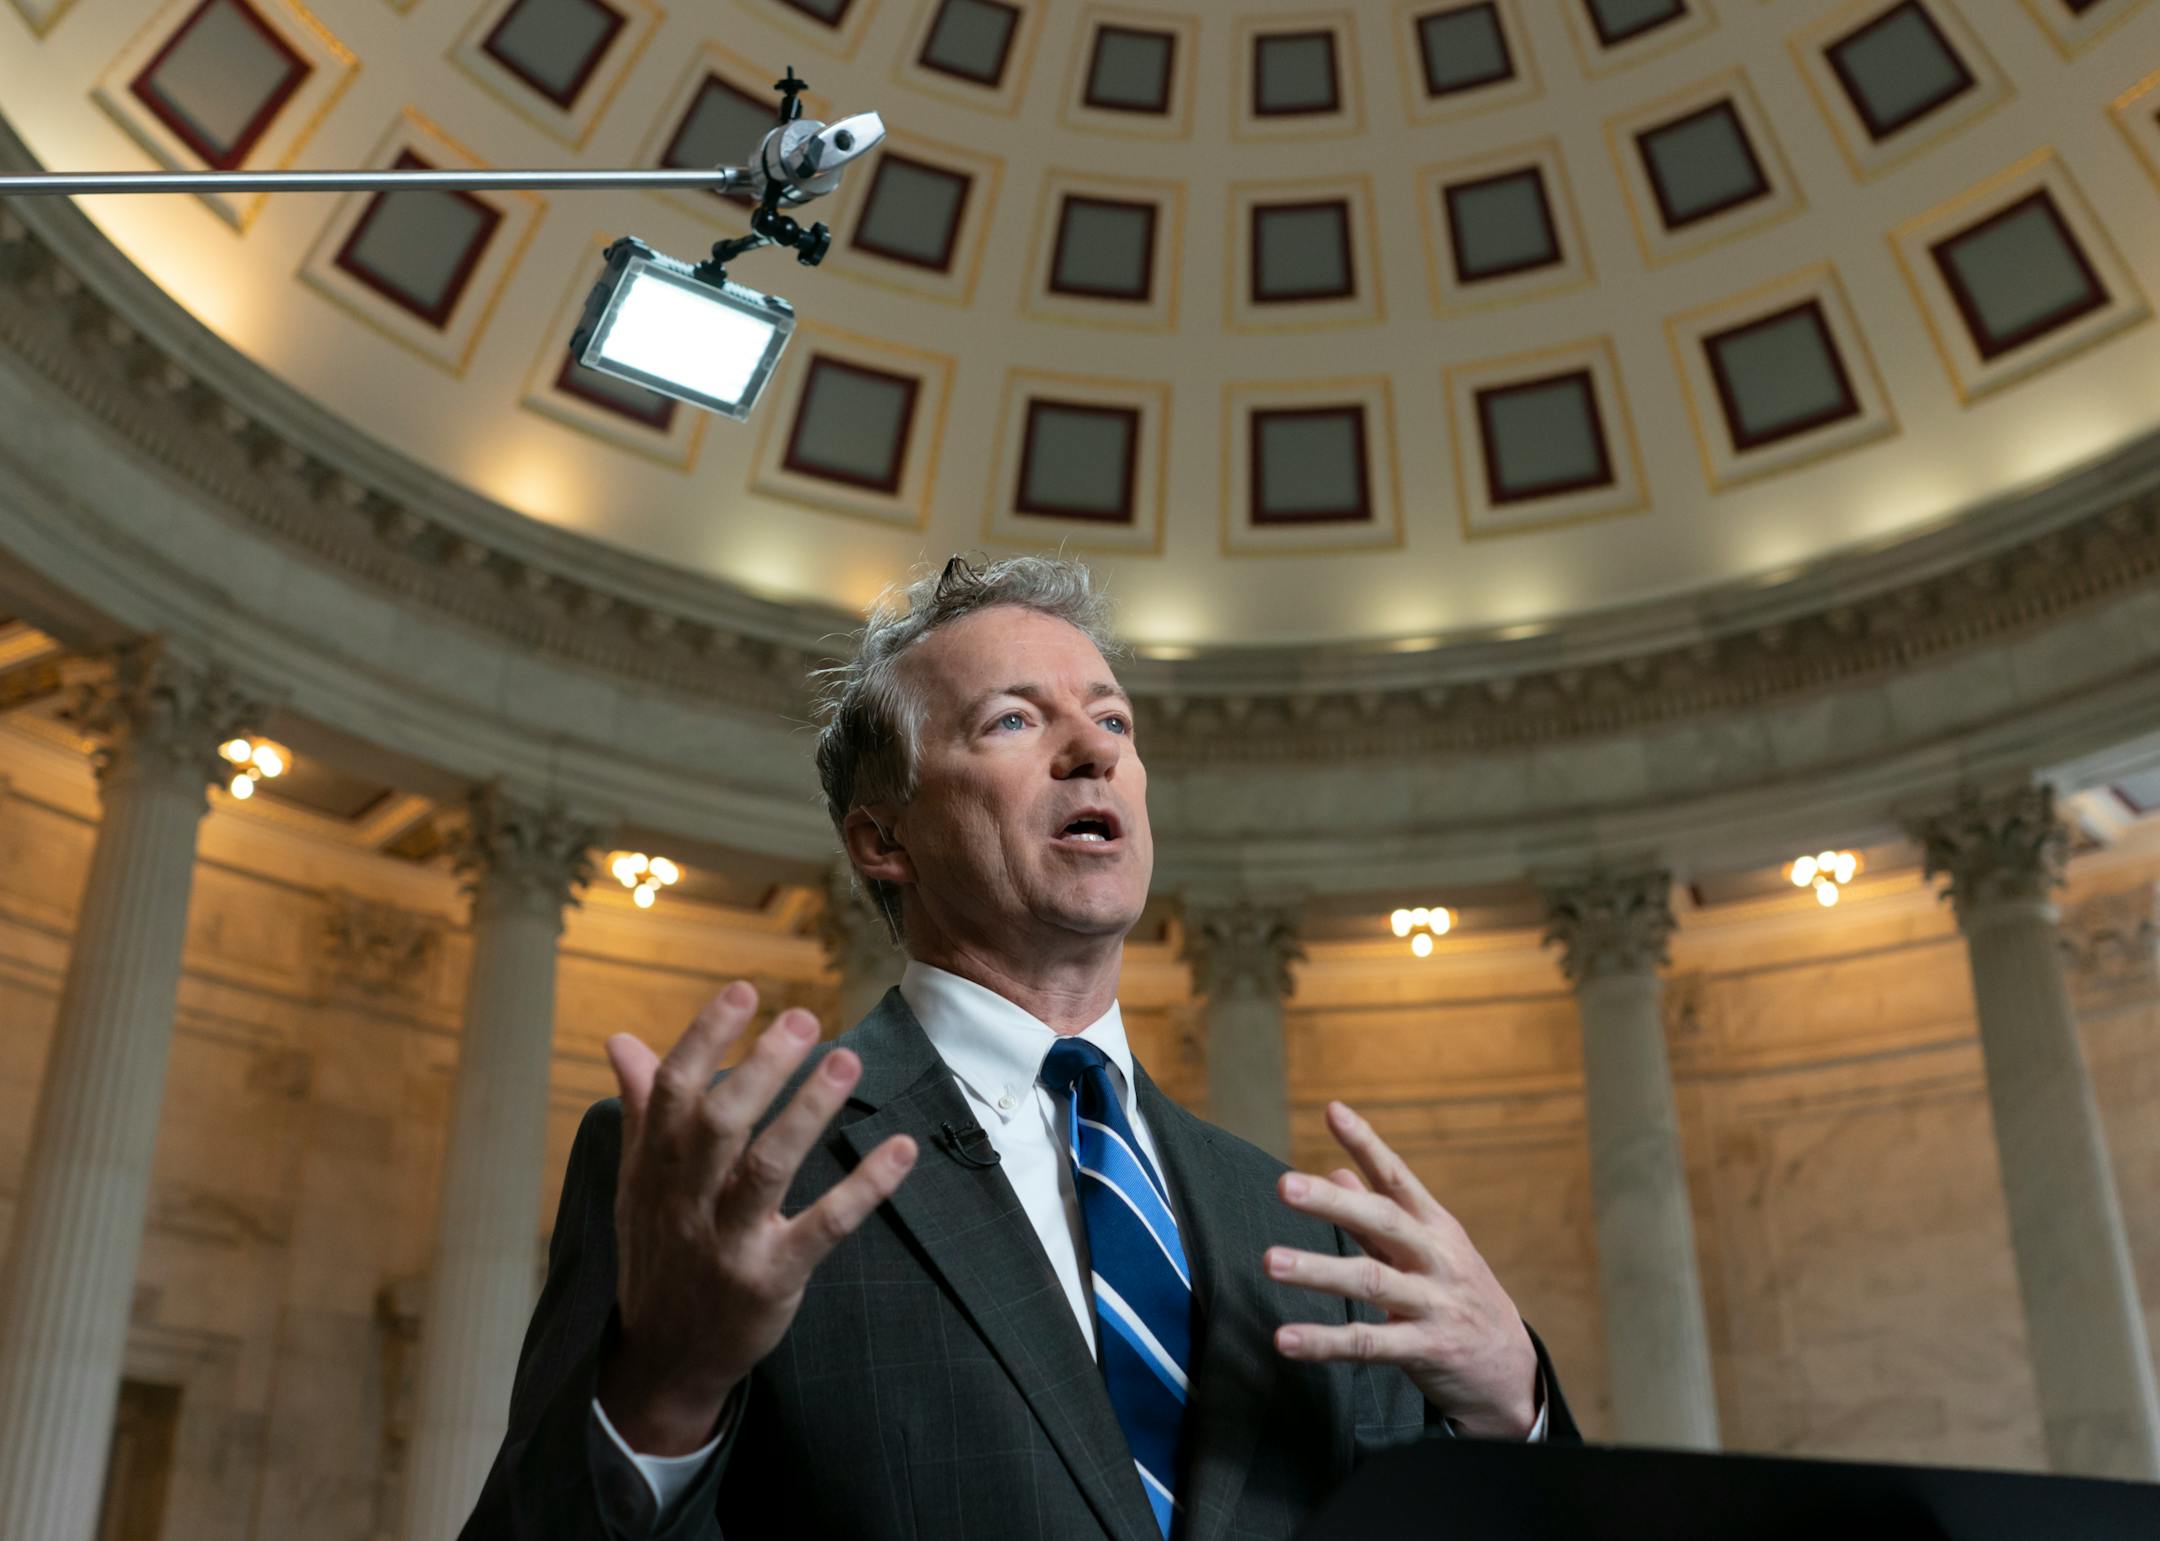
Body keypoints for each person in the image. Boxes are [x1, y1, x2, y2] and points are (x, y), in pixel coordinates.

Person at [462, 555, 1576, 1541]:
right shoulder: (722, 1168)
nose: (1092, 748)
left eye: (1115, 720)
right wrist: (664, 1391)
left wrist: (1511, 1402)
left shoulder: (1300, 1234)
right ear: (882, 836)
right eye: (1012, 720)